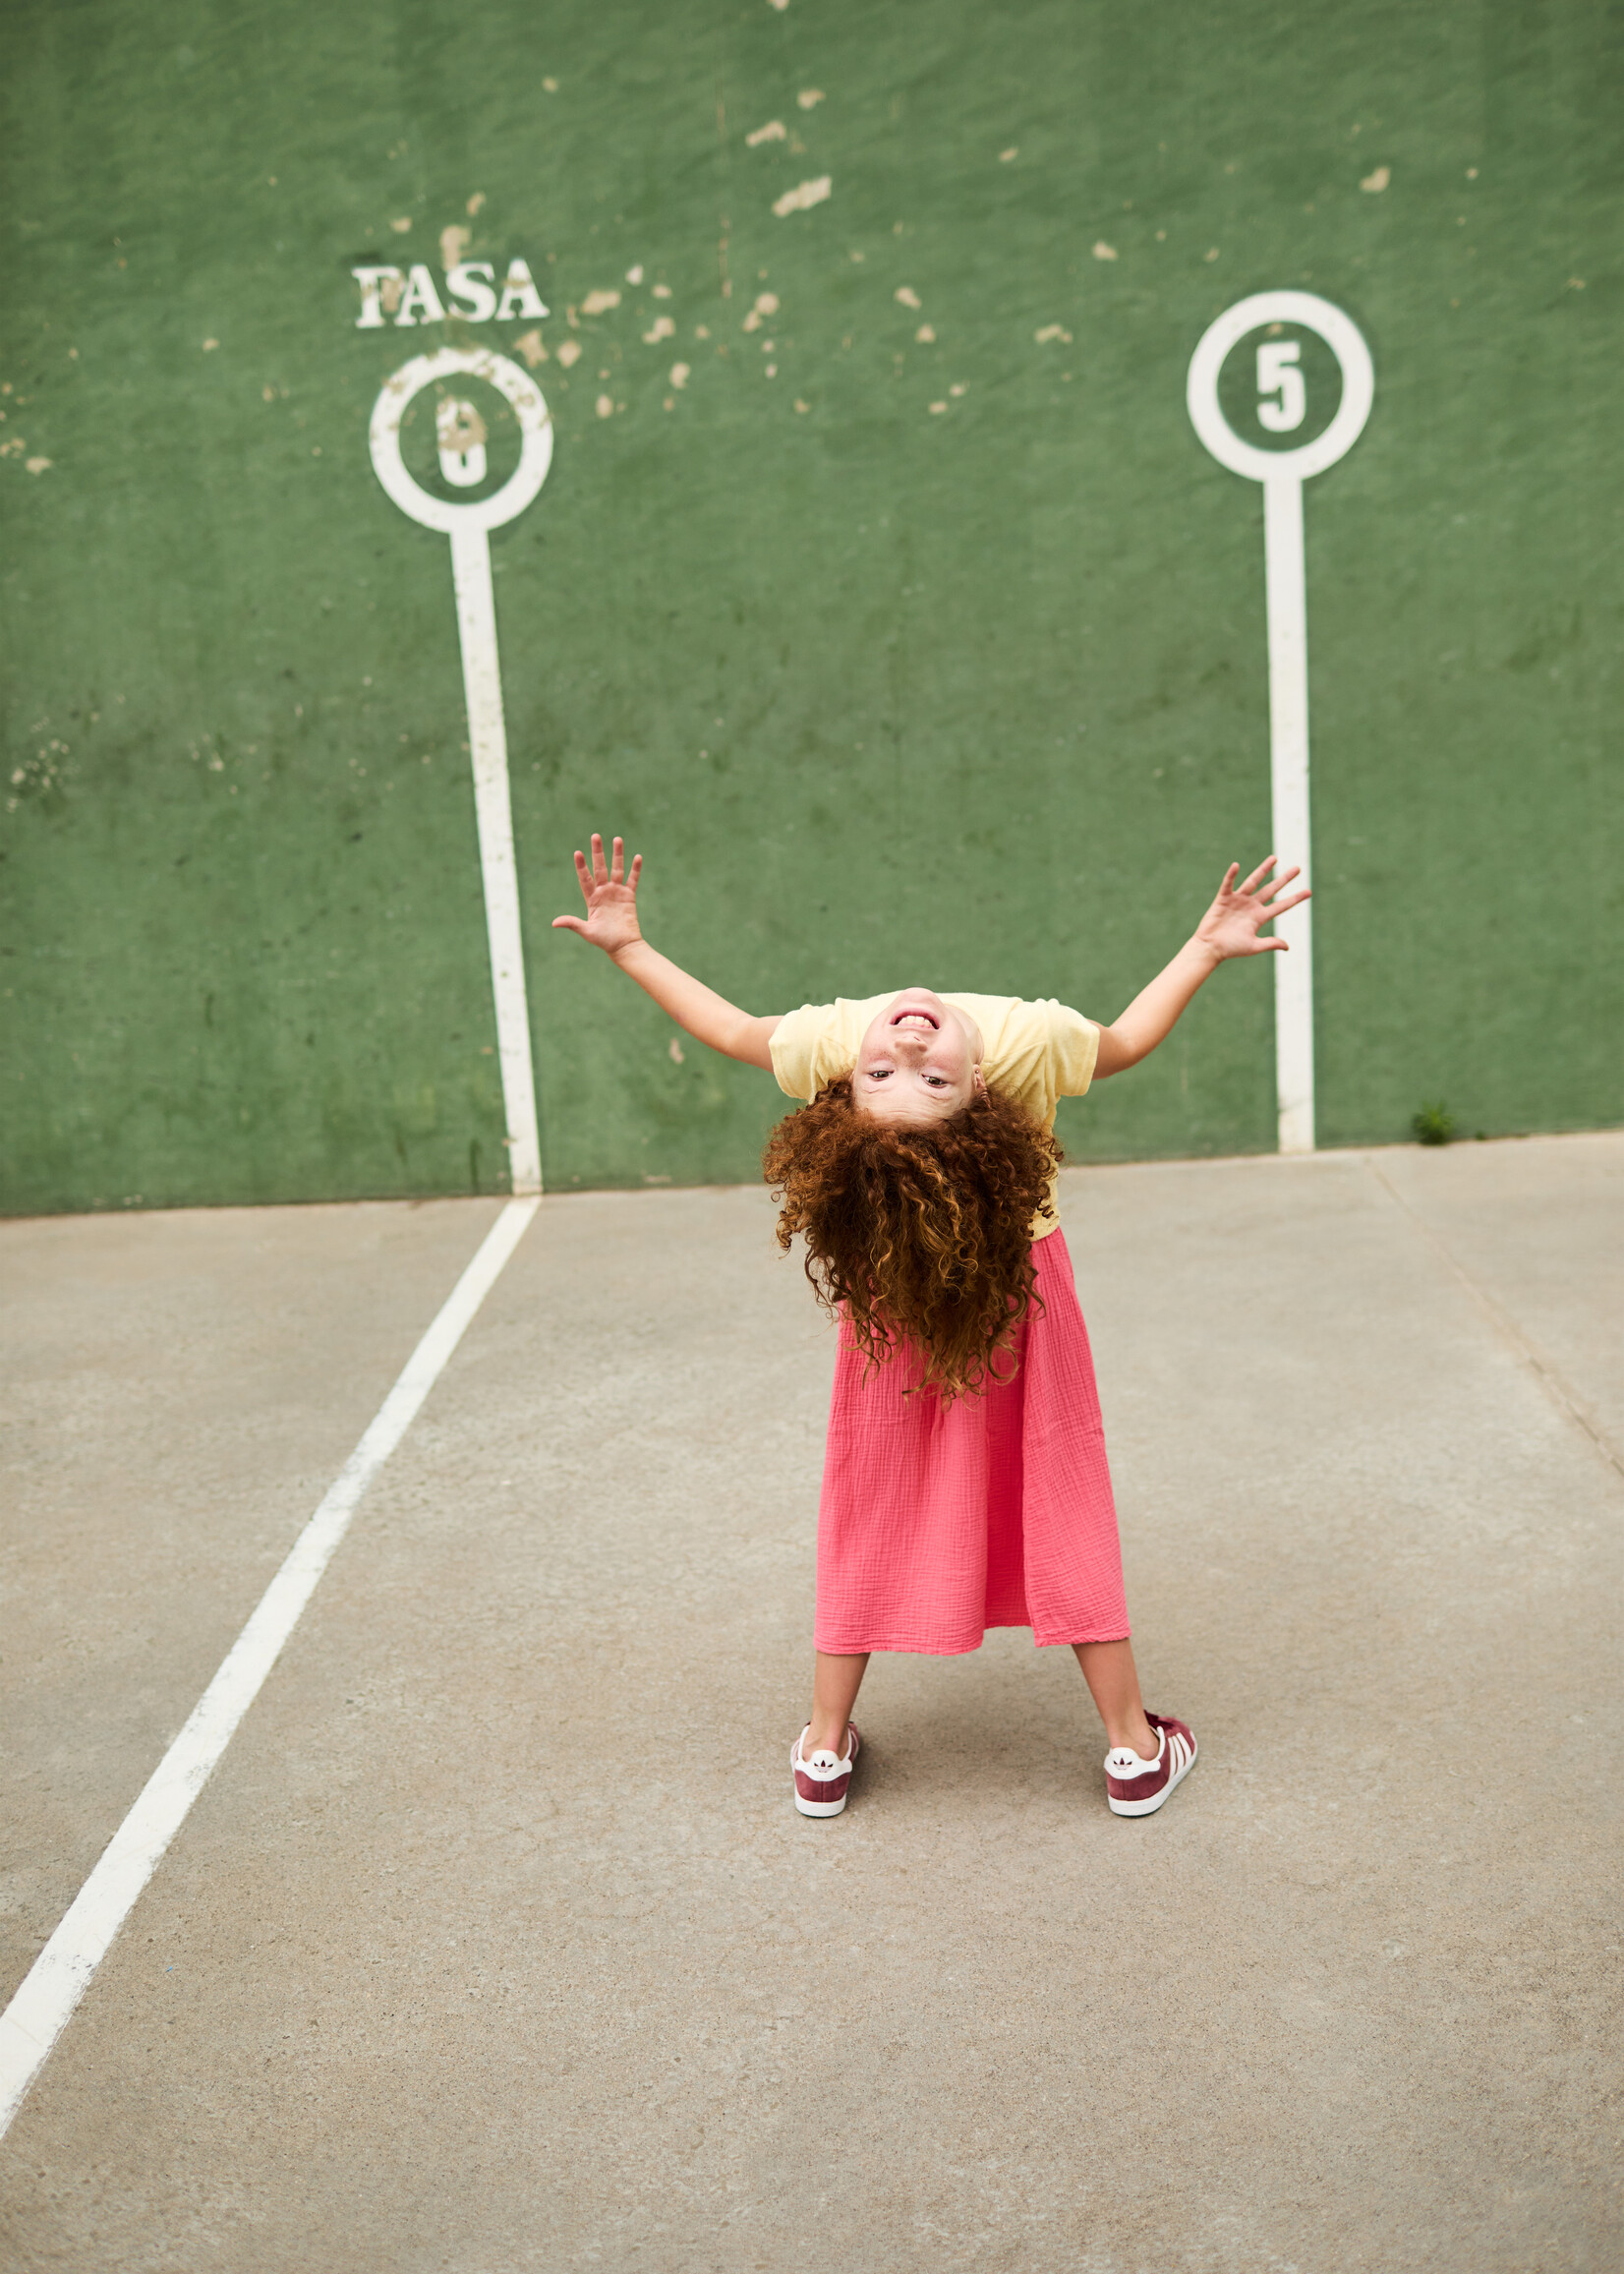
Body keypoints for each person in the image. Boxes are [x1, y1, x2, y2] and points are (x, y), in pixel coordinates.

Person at [554, 834, 1307, 1822]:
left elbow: (736, 1031)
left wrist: (630, 950)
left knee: (866, 1496)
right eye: (909, 1077)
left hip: (930, 1295)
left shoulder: (847, 1040)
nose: (904, 1053)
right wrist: (1200, 950)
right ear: (982, 1093)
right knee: (1060, 1491)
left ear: (849, 1086)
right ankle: (1131, 1747)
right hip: (1004, 1292)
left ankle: (824, 1747)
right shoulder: (1022, 1043)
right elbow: (1121, 1043)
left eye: (902, 1078)